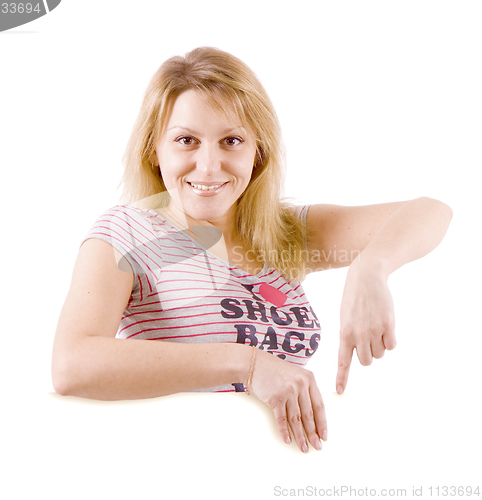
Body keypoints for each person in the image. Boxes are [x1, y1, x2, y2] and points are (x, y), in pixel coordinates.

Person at [51, 47, 452, 454]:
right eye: (186, 140)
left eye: (232, 140)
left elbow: (432, 211)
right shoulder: (127, 233)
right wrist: (248, 363)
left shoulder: (286, 232)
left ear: (257, 153)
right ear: (154, 150)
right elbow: (71, 365)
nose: (208, 166)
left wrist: (371, 268)